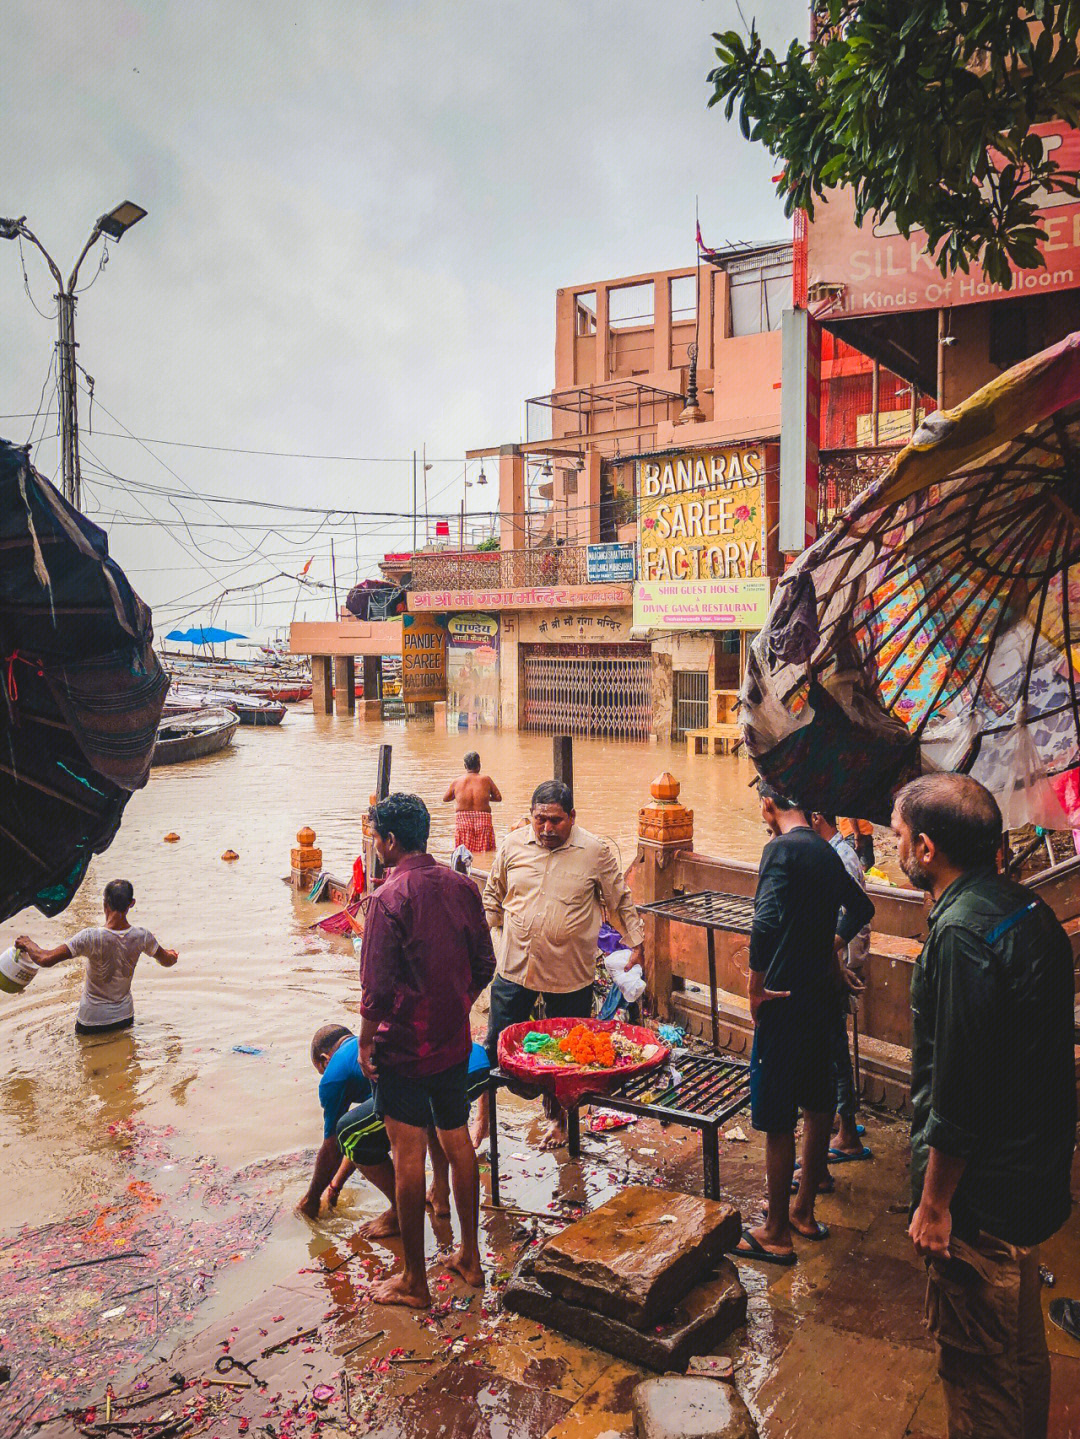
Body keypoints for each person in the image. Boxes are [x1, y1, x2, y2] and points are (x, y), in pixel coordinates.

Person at [893, 773, 1075, 1439]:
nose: (896, 846)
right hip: (1030, 1183)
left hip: (980, 1203)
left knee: (977, 1374)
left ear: (928, 848)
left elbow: (959, 1089)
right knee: (1021, 1355)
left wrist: (936, 1203)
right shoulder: (1030, 912)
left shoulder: (961, 936)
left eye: (901, 836)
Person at [358, 793, 496, 1308]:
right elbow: (484, 963)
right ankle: (471, 1259)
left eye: (377, 838)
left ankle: (415, 1281)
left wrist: (368, 1041)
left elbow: (375, 988)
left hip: (404, 1048)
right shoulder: (462, 887)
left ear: (391, 842)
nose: (375, 846)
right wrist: (456, 1004)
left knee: (408, 1155)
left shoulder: (388, 898)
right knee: (457, 1141)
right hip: (452, 1041)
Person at [734, 785, 874, 1267]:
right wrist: (829, 951)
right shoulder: (825, 848)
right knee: (817, 1106)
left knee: (776, 1118)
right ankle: (803, 1213)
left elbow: (765, 920)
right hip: (820, 995)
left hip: (782, 996)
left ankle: (775, 1232)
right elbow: (862, 909)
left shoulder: (780, 849)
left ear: (769, 805)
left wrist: (755, 984)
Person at [476, 779, 645, 1149]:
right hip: (515, 967)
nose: (547, 829)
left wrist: (637, 943)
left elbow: (620, 899)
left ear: (572, 817)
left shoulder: (595, 851)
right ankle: (482, 1123)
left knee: (566, 1055)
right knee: (495, 1049)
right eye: (540, 820)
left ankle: (559, 1121)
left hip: (569, 973)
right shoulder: (512, 844)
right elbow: (492, 896)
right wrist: (475, 943)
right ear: (531, 816)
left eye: (555, 821)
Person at [298, 1024, 490, 1233]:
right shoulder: (366, 1048)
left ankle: (401, 1211)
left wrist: (312, 1198)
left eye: (320, 1070)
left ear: (325, 1059)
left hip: (450, 1076)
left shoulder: (333, 1075)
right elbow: (357, 1138)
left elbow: (334, 1144)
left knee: (348, 1130)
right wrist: (335, 1186)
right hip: (477, 1066)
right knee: (426, 1114)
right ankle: (439, 1193)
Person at [17, 880, 178, 1034]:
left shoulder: (90, 937)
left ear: (105, 903)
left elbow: (45, 959)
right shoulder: (142, 936)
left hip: (91, 1021)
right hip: (124, 1019)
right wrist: (172, 955)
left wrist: (28, 943)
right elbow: (167, 961)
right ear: (132, 903)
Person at [809, 811, 873, 1167]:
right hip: (835, 959)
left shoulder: (839, 856)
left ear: (816, 817)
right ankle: (842, 1118)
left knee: (834, 1047)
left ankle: (846, 1130)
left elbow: (854, 916)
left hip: (837, 963)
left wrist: (842, 964)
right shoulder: (834, 851)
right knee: (834, 1045)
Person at [444, 752, 502, 856]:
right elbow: (498, 798)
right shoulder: (486, 779)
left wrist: (459, 796)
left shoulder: (457, 781)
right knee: (486, 852)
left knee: (463, 853)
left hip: (463, 820)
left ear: (465, 766)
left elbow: (446, 798)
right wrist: (484, 798)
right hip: (483, 819)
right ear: (479, 765)